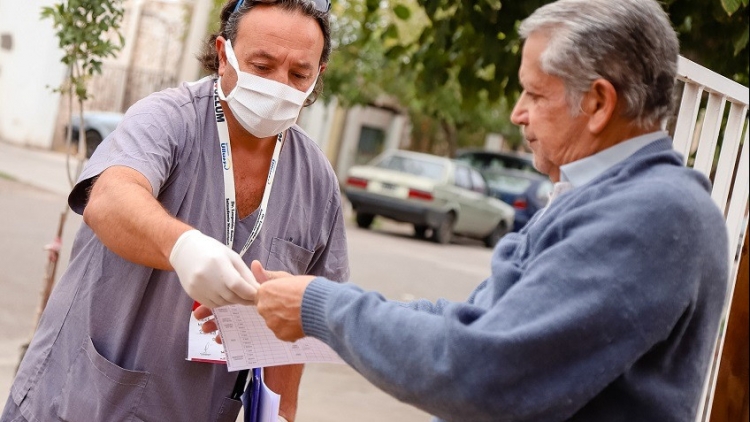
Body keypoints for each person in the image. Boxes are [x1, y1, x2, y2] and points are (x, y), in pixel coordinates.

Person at [204, 0, 731, 420]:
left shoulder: (655, 215)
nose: (517, 113)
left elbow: (487, 371)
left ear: (597, 103)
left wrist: (319, 308)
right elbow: (474, 323)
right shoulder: (604, 196)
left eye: (533, 93)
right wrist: (303, 303)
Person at [2, 0, 348, 421]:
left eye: (299, 74)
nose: (280, 85)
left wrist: (280, 414)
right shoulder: (168, 120)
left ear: (319, 76)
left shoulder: (317, 184)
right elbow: (109, 198)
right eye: (262, 66)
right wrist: (182, 247)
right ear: (224, 55)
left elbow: (298, 326)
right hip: (83, 400)